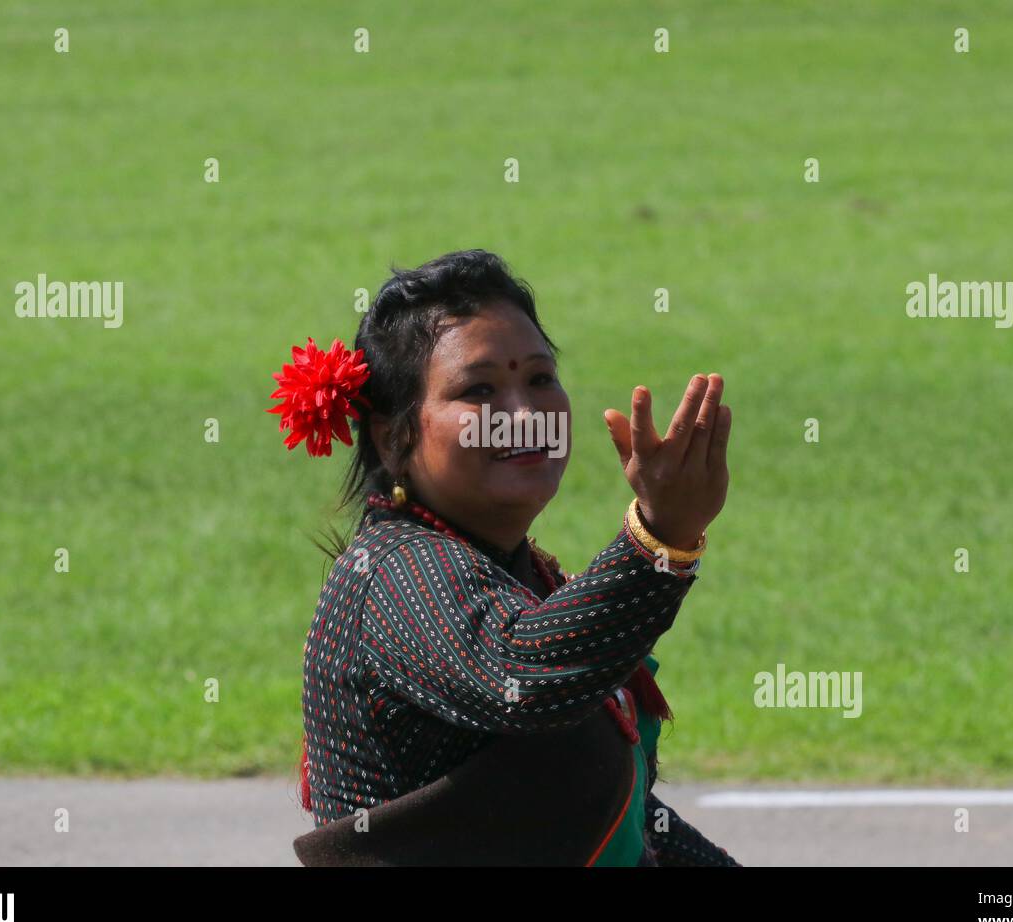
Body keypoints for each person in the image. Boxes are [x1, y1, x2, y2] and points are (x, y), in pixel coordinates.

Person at [274, 249, 738, 865]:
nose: (523, 416)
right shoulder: (393, 572)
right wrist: (659, 537)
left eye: (540, 379)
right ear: (394, 436)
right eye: (480, 390)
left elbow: (627, 818)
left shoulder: (523, 573)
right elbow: (522, 678)